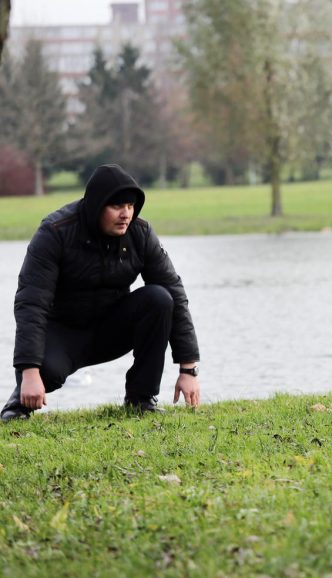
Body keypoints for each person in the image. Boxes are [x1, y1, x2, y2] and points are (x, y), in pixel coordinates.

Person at [1, 164, 200, 422]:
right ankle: (17, 406)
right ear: (96, 206)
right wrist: (29, 370)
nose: (125, 214)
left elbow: (176, 293)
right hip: (63, 333)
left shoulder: (140, 233)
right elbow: (31, 303)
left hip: (110, 329)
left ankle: (141, 399)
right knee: (44, 372)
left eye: (130, 206)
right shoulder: (55, 232)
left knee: (159, 298)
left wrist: (188, 368)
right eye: (117, 207)